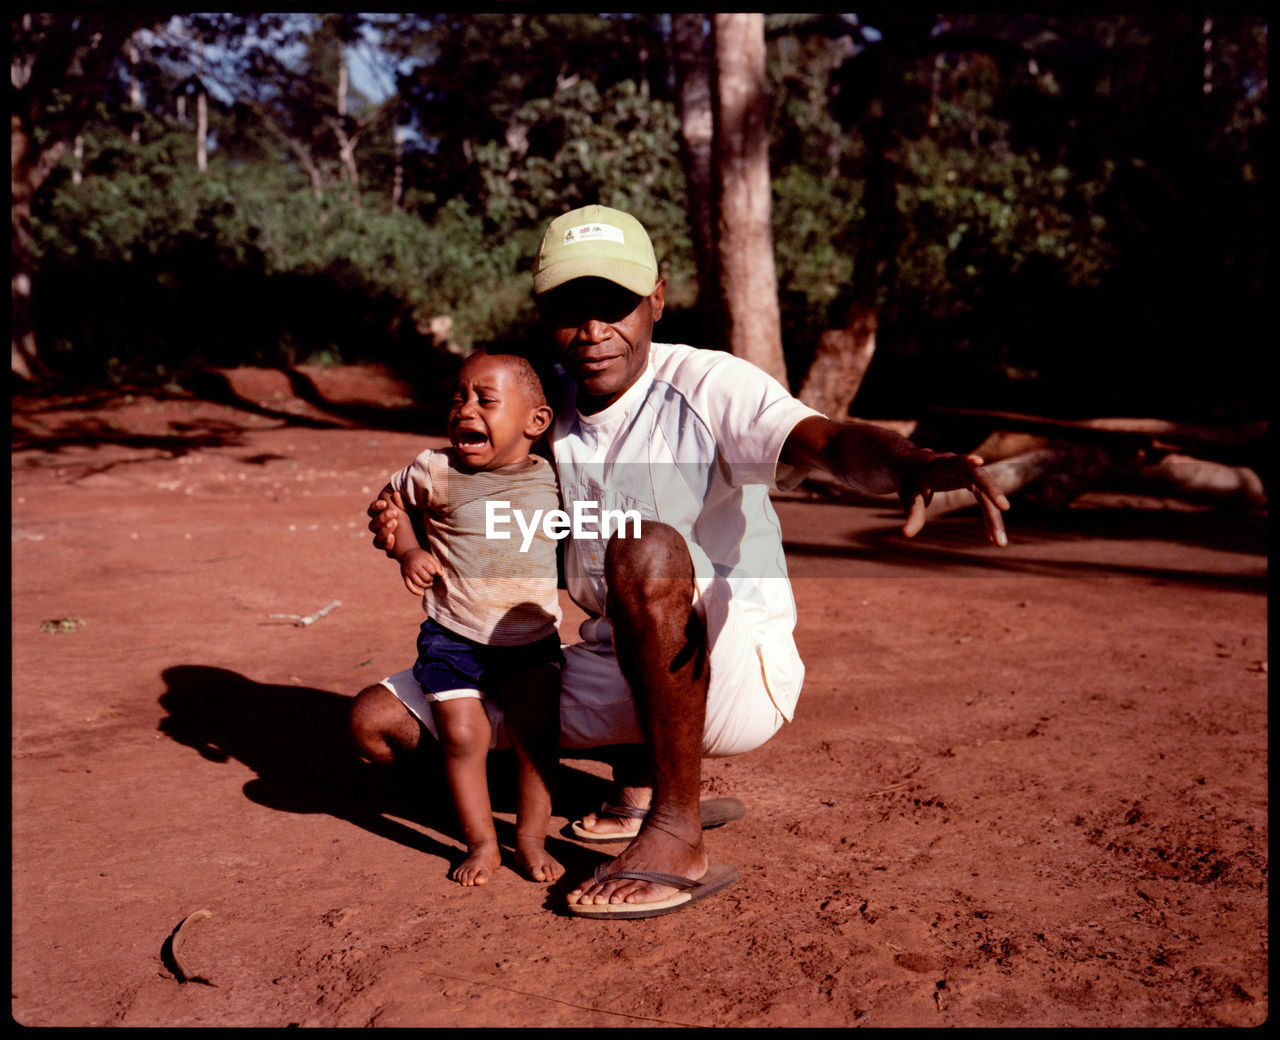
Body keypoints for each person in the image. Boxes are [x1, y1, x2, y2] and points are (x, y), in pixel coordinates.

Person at [354, 204, 1009, 918]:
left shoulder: (710, 386)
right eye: (572, 307)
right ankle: (637, 774)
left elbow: (825, 442)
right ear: (544, 313)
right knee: (379, 727)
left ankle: (675, 828)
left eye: (618, 304)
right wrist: (402, 517)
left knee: (645, 545)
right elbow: (464, 469)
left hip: (729, 666)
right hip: (613, 656)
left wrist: (909, 463)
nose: (595, 329)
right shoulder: (542, 404)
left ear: (658, 298)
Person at [363, 348, 565, 887]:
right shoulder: (435, 469)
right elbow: (390, 502)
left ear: (536, 422)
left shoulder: (553, 479)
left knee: (535, 736)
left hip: (533, 639)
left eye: (486, 399)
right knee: (462, 735)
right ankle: (481, 841)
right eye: (459, 396)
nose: (465, 408)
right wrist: (407, 550)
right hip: (455, 636)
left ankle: (529, 838)